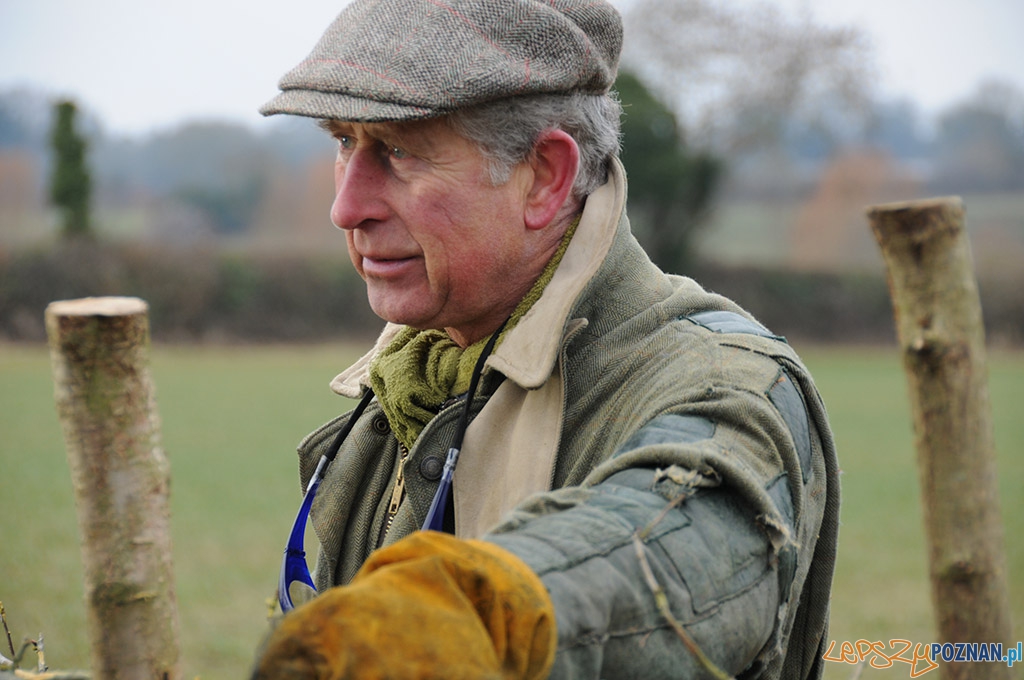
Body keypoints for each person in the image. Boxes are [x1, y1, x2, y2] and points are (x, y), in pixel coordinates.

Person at [252, 0, 840, 678]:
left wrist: (467, 619)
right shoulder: (411, 380)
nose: (345, 207)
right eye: (343, 143)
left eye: (398, 150)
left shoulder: (724, 384)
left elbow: (664, 558)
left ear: (545, 177)